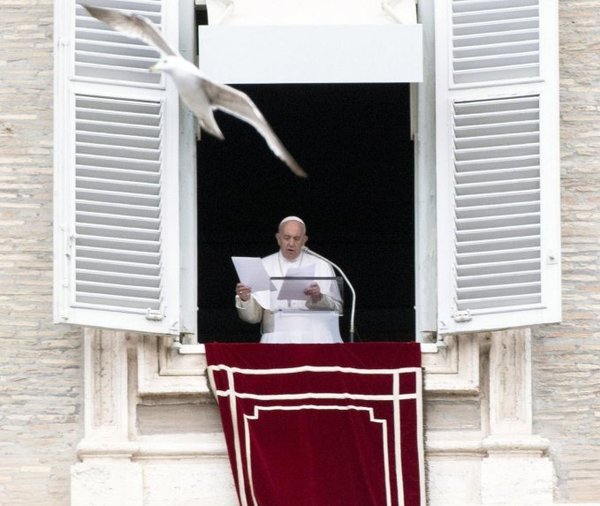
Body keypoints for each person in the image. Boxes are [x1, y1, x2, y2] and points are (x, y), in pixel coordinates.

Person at [235, 216, 343, 343]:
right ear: (278, 238)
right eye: (286, 238)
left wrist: (318, 298)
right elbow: (253, 318)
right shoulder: (263, 265)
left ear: (304, 240)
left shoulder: (322, 264)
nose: (291, 243)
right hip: (275, 337)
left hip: (316, 336)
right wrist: (245, 298)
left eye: (297, 238)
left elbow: (338, 308)